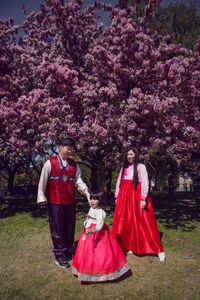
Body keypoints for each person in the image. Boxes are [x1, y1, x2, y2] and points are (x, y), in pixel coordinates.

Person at [37, 137, 90, 268]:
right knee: (57, 228)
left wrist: (85, 190)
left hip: (70, 202)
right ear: (61, 147)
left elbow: (78, 181)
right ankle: (58, 255)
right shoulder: (50, 163)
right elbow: (43, 181)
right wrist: (41, 196)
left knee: (69, 227)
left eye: (72, 150)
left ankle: (66, 250)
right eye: (68, 149)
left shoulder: (74, 165)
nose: (70, 152)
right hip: (55, 202)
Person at [112, 146, 165, 261]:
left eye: (131, 154)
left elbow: (145, 182)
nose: (129, 157)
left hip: (136, 196)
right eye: (127, 155)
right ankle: (128, 245)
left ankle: (156, 248)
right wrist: (117, 196)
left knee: (143, 219)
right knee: (125, 220)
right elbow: (119, 183)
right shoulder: (124, 168)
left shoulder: (141, 167)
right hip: (125, 197)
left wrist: (143, 198)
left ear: (136, 155)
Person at [72, 191, 130, 282]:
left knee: (99, 252)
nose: (92, 201)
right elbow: (89, 217)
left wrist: (93, 230)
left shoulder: (101, 212)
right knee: (86, 250)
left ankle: (101, 270)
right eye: (91, 199)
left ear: (100, 200)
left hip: (97, 233)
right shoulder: (91, 208)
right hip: (88, 231)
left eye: (95, 199)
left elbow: (100, 225)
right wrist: (86, 223)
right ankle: (86, 267)